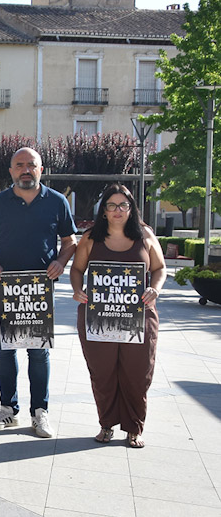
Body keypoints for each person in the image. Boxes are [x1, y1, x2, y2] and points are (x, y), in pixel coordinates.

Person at [0, 147, 77, 438]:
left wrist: (61, 262)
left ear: (41, 169)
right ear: (11, 171)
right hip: (5, 288)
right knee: (5, 348)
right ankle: (8, 409)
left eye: (31, 165)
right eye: (19, 165)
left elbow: (70, 241)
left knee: (39, 351)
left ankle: (40, 412)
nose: (25, 170)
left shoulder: (57, 201)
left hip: (40, 290)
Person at [70, 184, 164, 448]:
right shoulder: (91, 237)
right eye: (111, 205)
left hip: (140, 317)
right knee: (103, 374)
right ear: (104, 211)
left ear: (131, 208)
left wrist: (155, 289)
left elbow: (159, 268)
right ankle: (106, 424)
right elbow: (77, 269)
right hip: (98, 317)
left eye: (123, 205)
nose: (118, 210)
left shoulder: (145, 235)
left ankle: (134, 428)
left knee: (138, 374)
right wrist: (77, 290)